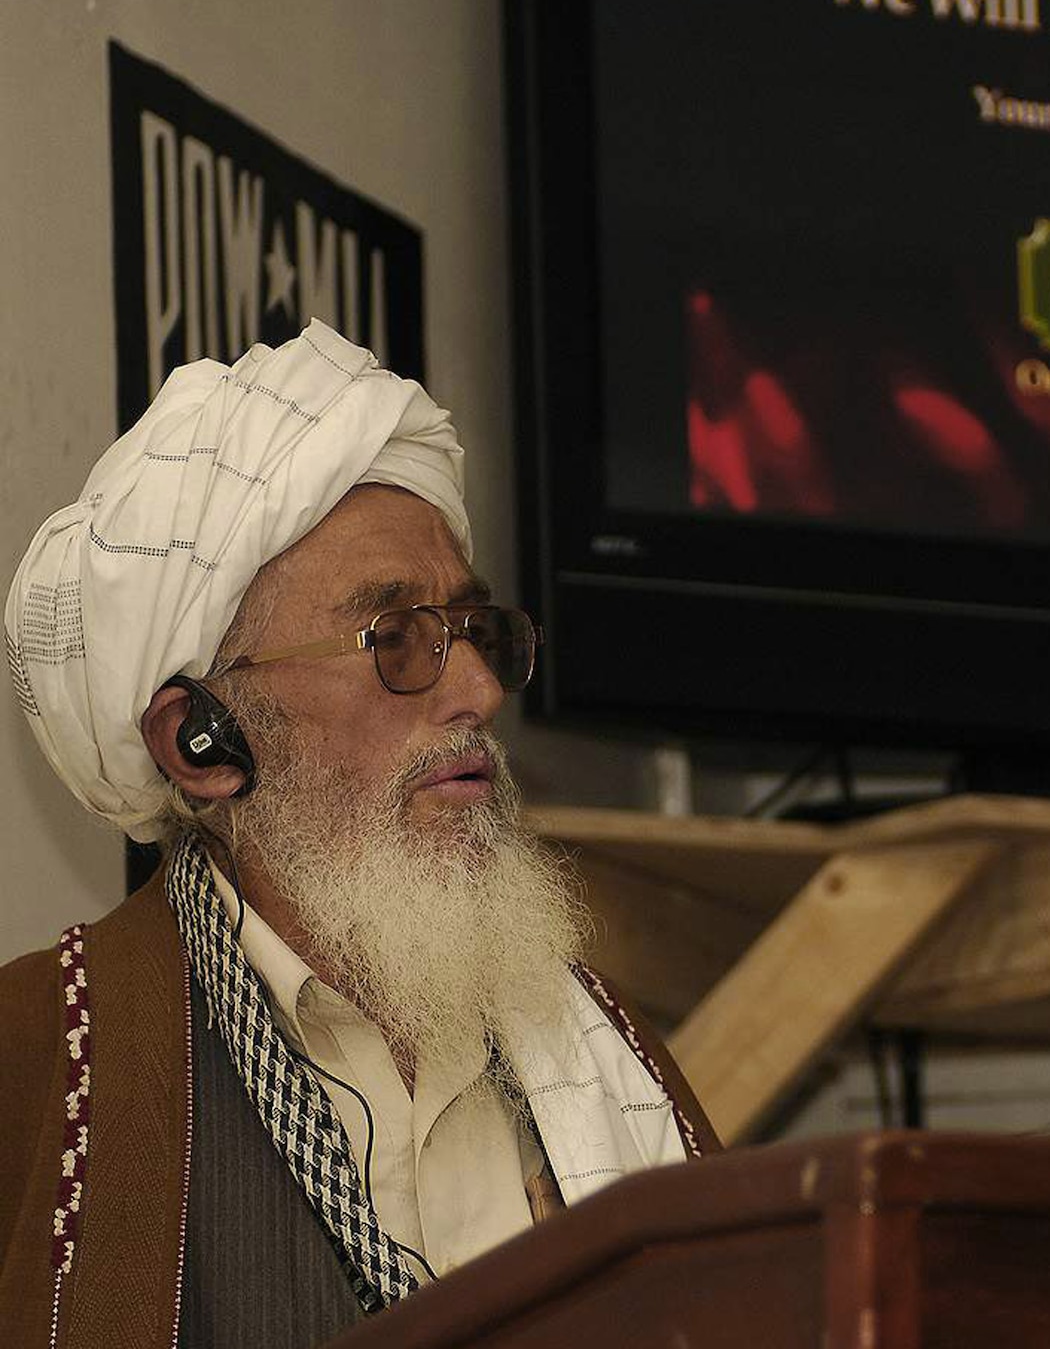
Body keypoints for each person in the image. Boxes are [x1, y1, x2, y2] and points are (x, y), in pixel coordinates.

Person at [0, 322, 718, 1348]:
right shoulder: (34, 1066)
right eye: (395, 641)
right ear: (202, 742)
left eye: (472, 631)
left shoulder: (615, 1057)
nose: (475, 690)